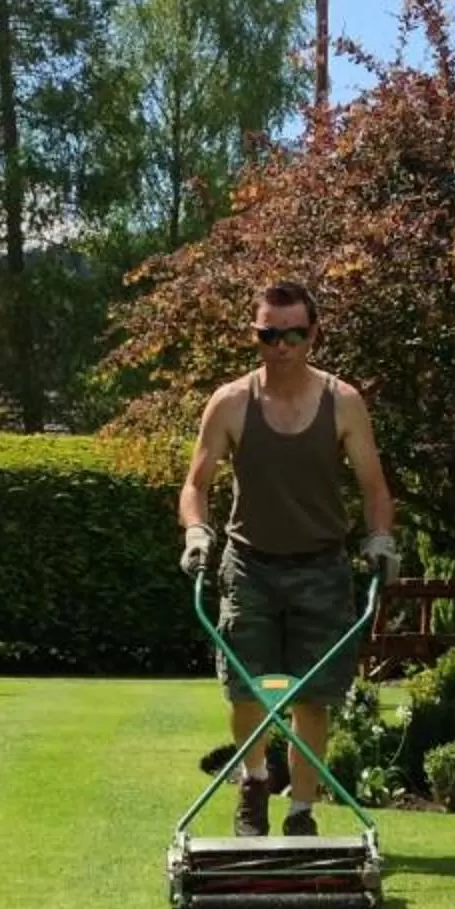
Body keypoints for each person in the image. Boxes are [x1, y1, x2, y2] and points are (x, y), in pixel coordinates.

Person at [179, 279, 399, 838]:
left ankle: (301, 813)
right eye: (270, 335)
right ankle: (253, 784)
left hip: (321, 567)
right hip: (249, 566)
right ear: (256, 335)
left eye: (295, 334)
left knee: (312, 698)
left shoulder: (342, 402)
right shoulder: (230, 402)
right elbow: (195, 484)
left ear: (313, 334)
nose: (282, 345)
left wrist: (379, 538)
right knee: (247, 690)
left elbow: (373, 487)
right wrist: (197, 533)